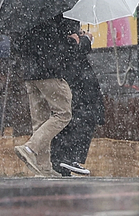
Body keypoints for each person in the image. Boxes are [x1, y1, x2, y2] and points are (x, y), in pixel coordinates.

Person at [11, 14, 79, 177]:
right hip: (50, 71)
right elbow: (66, 43)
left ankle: (43, 168)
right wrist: (78, 40)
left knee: (40, 121)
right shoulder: (56, 12)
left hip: (30, 74)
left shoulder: (23, 15)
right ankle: (30, 148)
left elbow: (17, 45)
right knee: (63, 114)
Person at [51, 29, 105, 176]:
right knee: (81, 118)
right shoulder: (62, 38)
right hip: (78, 84)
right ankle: (68, 158)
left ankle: (62, 161)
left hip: (75, 83)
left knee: (75, 118)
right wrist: (85, 39)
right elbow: (72, 51)